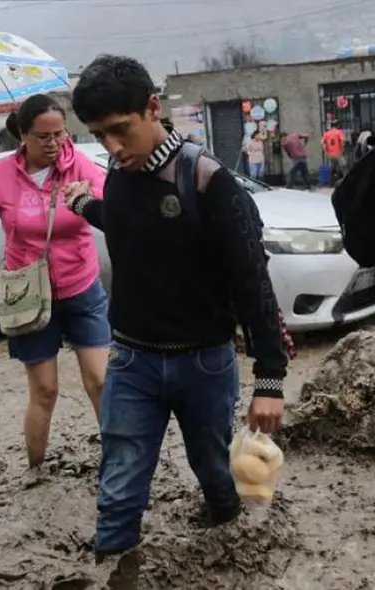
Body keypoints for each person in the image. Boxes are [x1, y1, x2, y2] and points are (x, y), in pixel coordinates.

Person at [67, 55, 287, 577]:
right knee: (119, 483)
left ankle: (228, 544)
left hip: (204, 365)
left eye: (120, 130)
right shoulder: (119, 179)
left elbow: (253, 280)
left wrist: (270, 378)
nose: (112, 147)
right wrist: (85, 206)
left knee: (213, 470)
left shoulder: (210, 182)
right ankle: (112, 570)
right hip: (132, 362)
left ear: (152, 108)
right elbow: (128, 226)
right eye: (99, 136)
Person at [0, 94, 111, 469]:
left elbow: (113, 203)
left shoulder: (80, 167)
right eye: (43, 136)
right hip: (28, 296)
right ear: (22, 136)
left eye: (60, 134)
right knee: (44, 390)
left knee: (101, 382)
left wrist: (88, 197)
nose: (54, 143)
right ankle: (35, 472)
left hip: (81, 289)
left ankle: (120, 466)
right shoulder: (2, 176)